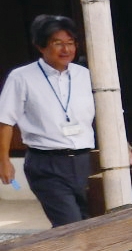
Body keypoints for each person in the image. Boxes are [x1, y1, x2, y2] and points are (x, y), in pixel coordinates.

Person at [0, 15, 96, 227]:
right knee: (70, 225)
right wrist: (4, 160)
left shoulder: (85, 75)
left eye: (70, 43)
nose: (66, 49)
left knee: (91, 224)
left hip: (84, 161)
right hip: (47, 163)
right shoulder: (22, 77)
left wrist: (124, 145)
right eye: (58, 43)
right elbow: (5, 120)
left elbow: (109, 113)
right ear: (40, 46)